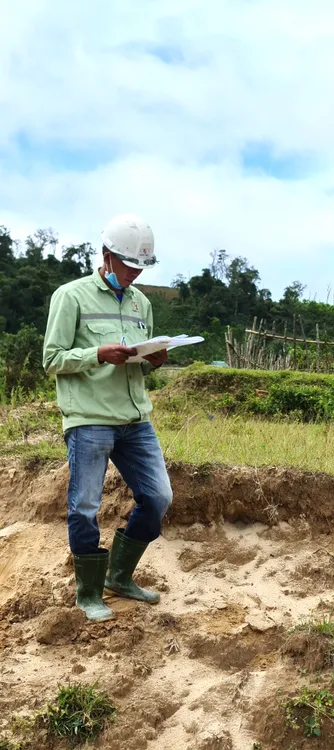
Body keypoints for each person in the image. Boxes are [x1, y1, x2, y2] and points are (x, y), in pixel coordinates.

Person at [42, 213, 172, 622]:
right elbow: (52, 359)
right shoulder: (71, 296)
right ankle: (89, 593)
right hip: (90, 418)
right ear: (107, 256)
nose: (133, 274)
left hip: (135, 419)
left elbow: (140, 356)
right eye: (129, 265)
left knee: (158, 498)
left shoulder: (141, 303)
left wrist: (154, 359)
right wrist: (97, 354)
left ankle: (119, 576)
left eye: (140, 267)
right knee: (84, 506)